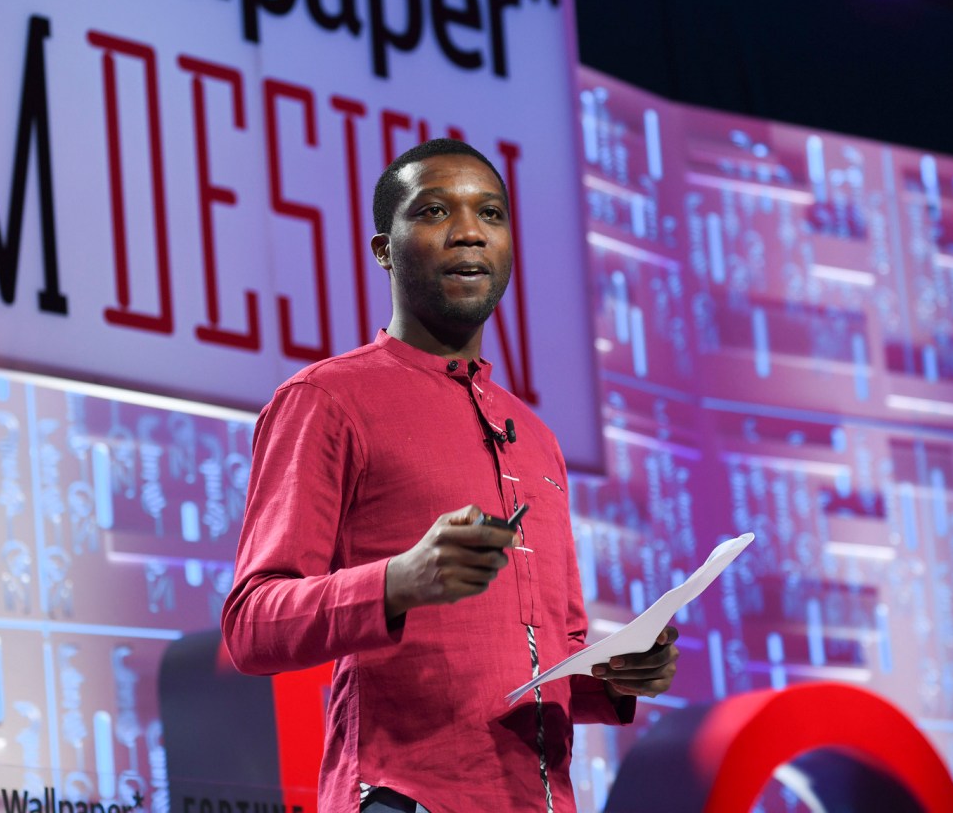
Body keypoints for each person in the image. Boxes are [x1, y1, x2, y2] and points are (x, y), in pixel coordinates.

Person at [222, 139, 679, 813]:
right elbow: (251, 624)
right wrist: (400, 581)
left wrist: (617, 675)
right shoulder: (327, 400)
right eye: (436, 211)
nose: (469, 231)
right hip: (404, 797)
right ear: (384, 249)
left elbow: (551, 651)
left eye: (490, 214)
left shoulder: (540, 441)